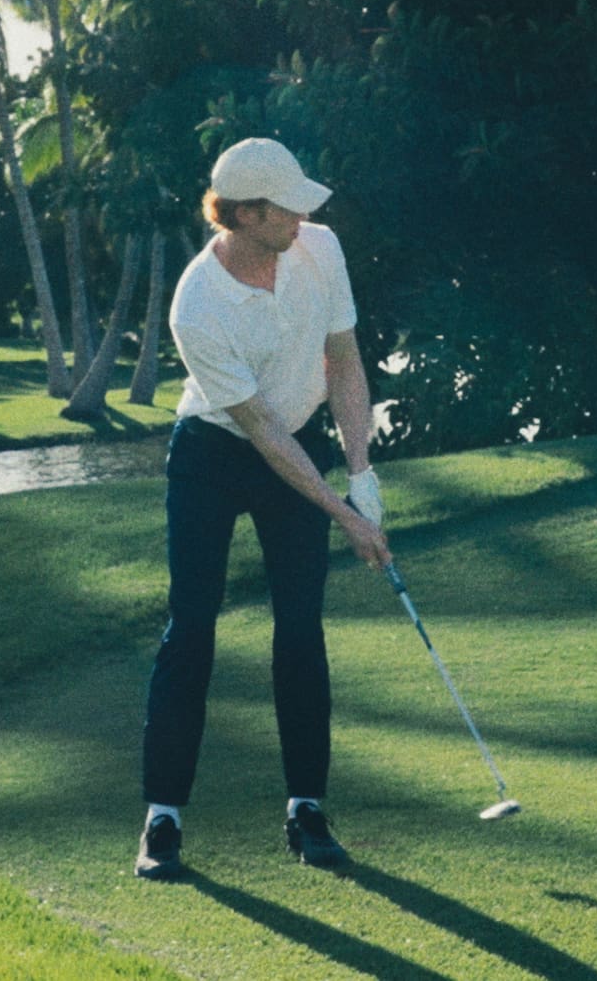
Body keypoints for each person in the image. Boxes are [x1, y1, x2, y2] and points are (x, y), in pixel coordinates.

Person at [135, 137, 392, 881]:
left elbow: (343, 360)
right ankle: (162, 819)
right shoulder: (197, 304)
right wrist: (343, 513)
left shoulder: (319, 248)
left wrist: (362, 472)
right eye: (287, 208)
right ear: (247, 215)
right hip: (215, 454)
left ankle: (307, 808)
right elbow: (262, 434)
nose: (305, 217)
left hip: (300, 440)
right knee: (192, 628)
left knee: (300, 629)